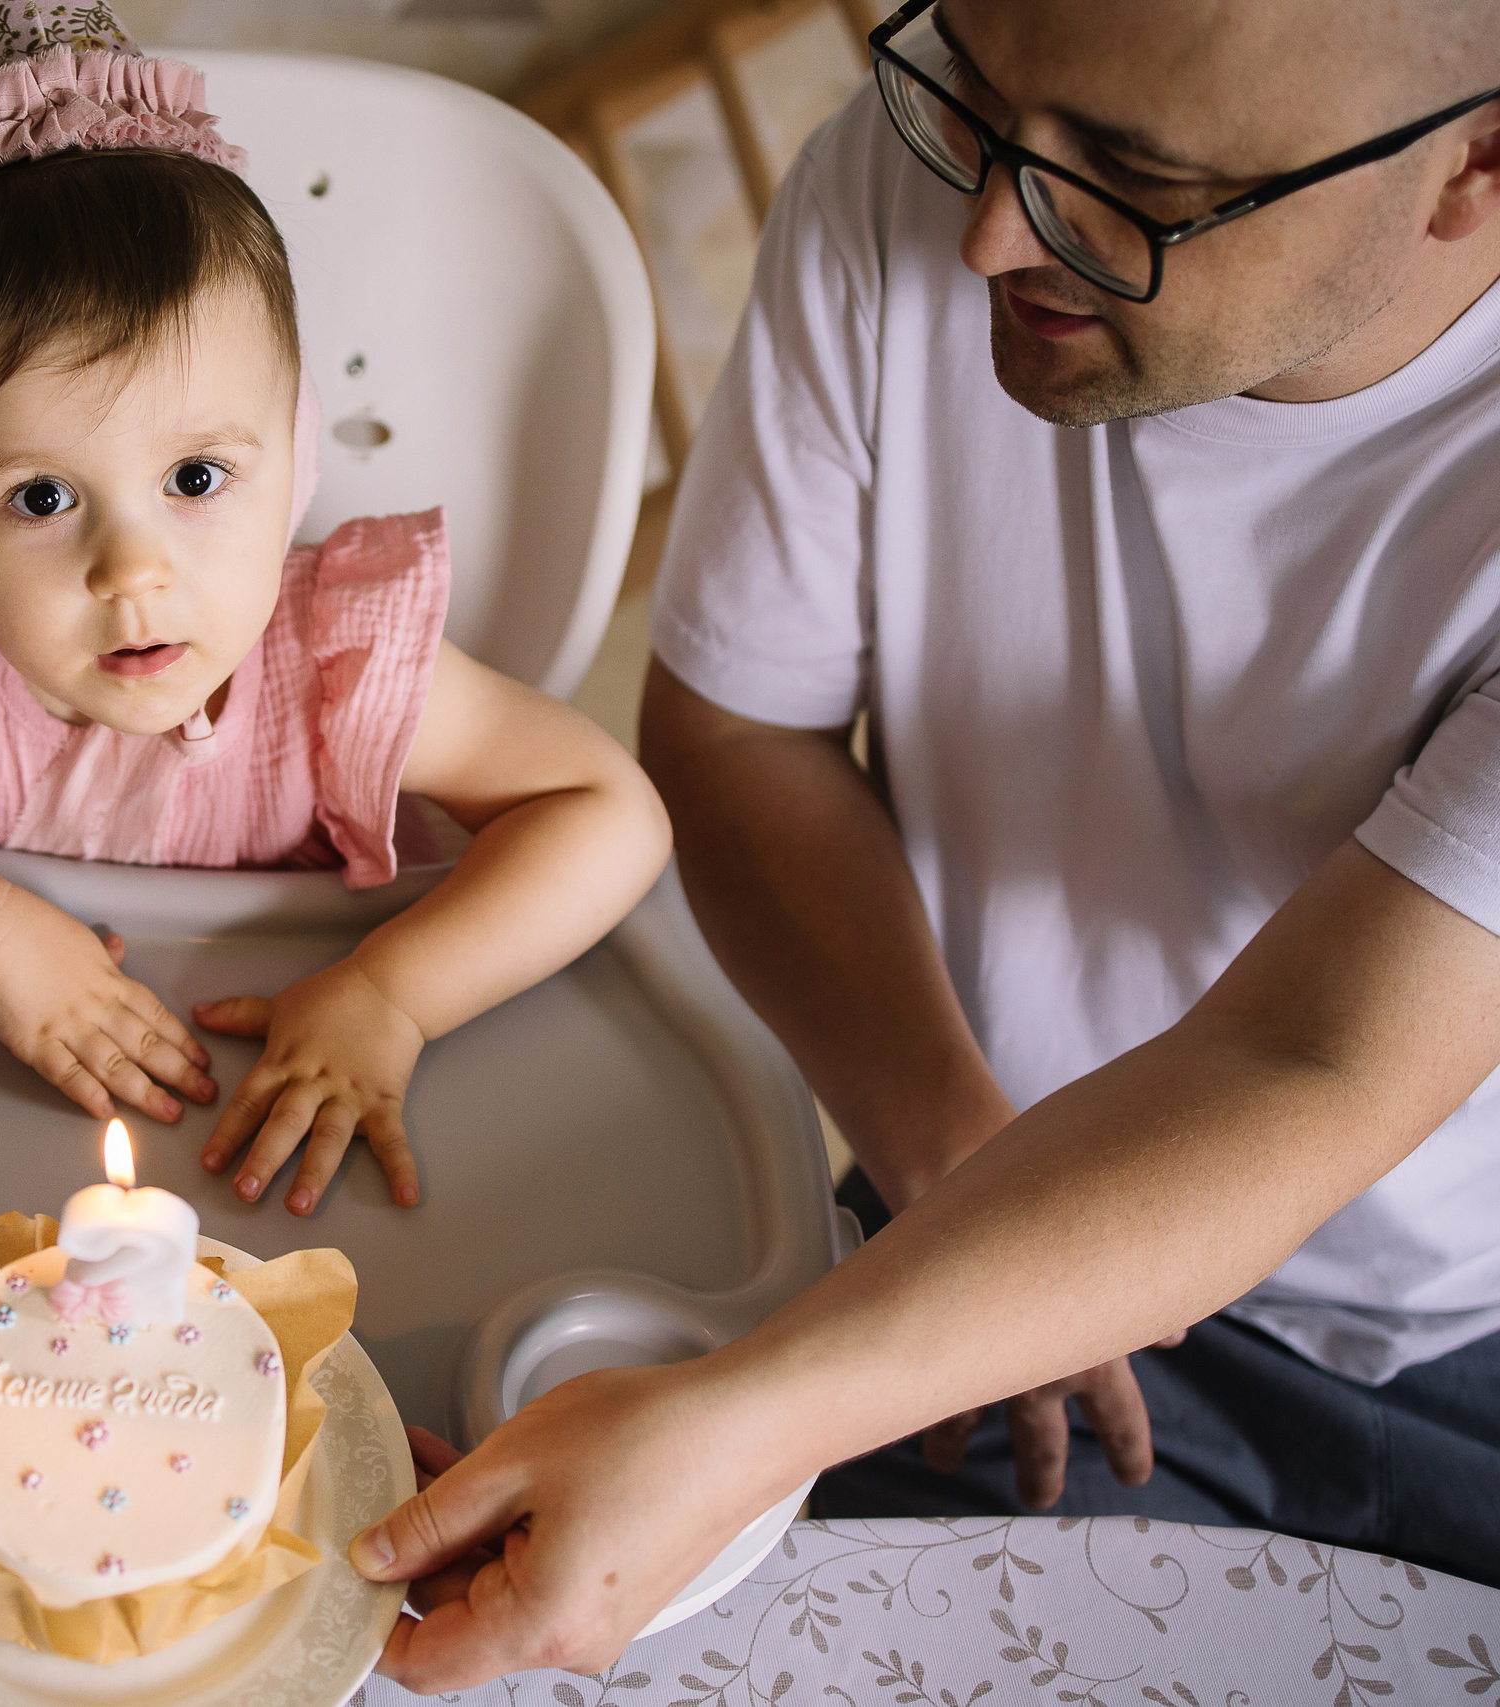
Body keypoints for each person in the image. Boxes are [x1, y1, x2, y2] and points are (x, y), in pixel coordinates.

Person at [352, 0, 1500, 1688]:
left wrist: (753, 1415)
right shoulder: (903, 188)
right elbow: (740, 736)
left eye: (1134, 182)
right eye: (970, 85)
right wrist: (955, 1161)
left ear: (1476, 161)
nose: (988, 235)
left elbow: (1311, 1057)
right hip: (972, 1197)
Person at [0, 9, 670, 1214]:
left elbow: (606, 813)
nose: (130, 572)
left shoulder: (331, 660)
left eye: (195, 478)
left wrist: (395, 994)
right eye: (41, 498)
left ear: (294, 460)